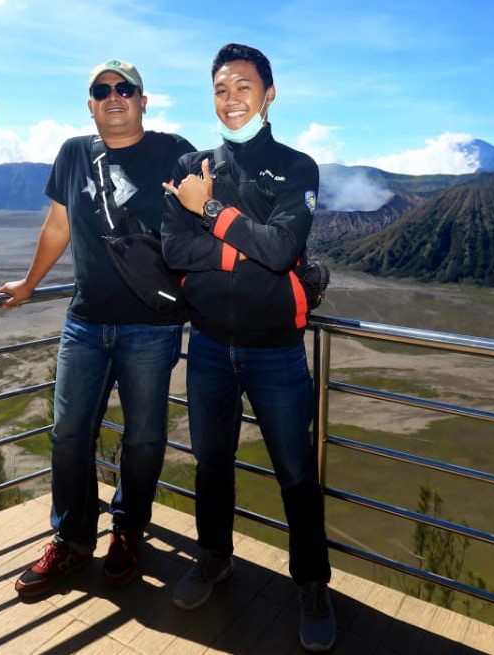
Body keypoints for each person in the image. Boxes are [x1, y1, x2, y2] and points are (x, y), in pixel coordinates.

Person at [160, 43, 336, 651]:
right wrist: (243, 244)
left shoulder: (297, 168)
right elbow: (173, 251)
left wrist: (207, 209)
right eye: (220, 89)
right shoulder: (192, 161)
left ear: (269, 94)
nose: (231, 100)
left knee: (294, 473)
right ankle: (214, 558)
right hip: (207, 345)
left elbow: (284, 249)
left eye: (243, 87)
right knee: (211, 464)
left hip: (276, 351)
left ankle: (312, 584)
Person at [0, 58, 195, 597]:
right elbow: (58, 225)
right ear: (90, 104)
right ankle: (72, 539)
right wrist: (30, 283)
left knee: (146, 437)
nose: (114, 95)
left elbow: (200, 221)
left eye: (125, 88)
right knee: (68, 434)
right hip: (84, 323)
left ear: (143, 100)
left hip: (151, 327)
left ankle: (128, 531)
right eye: (102, 89)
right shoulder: (72, 153)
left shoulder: (175, 150)